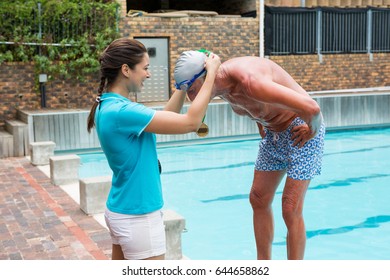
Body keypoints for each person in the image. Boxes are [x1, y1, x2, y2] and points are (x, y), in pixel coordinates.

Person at [174, 51, 325, 260]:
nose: (192, 98)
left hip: (302, 131)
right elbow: (253, 105)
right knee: (258, 199)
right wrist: (261, 121)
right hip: (273, 135)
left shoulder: (249, 80)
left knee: (290, 208)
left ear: (205, 75)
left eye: (192, 90)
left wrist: (312, 131)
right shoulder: (223, 87)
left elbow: (312, 108)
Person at [87, 39, 221, 260]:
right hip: (138, 217)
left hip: (122, 210)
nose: (148, 74)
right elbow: (191, 122)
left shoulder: (108, 105)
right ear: (126, 70)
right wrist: (212, 74)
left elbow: (167, 118)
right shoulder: (122, 111)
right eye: (145, 68)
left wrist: (183, 85)